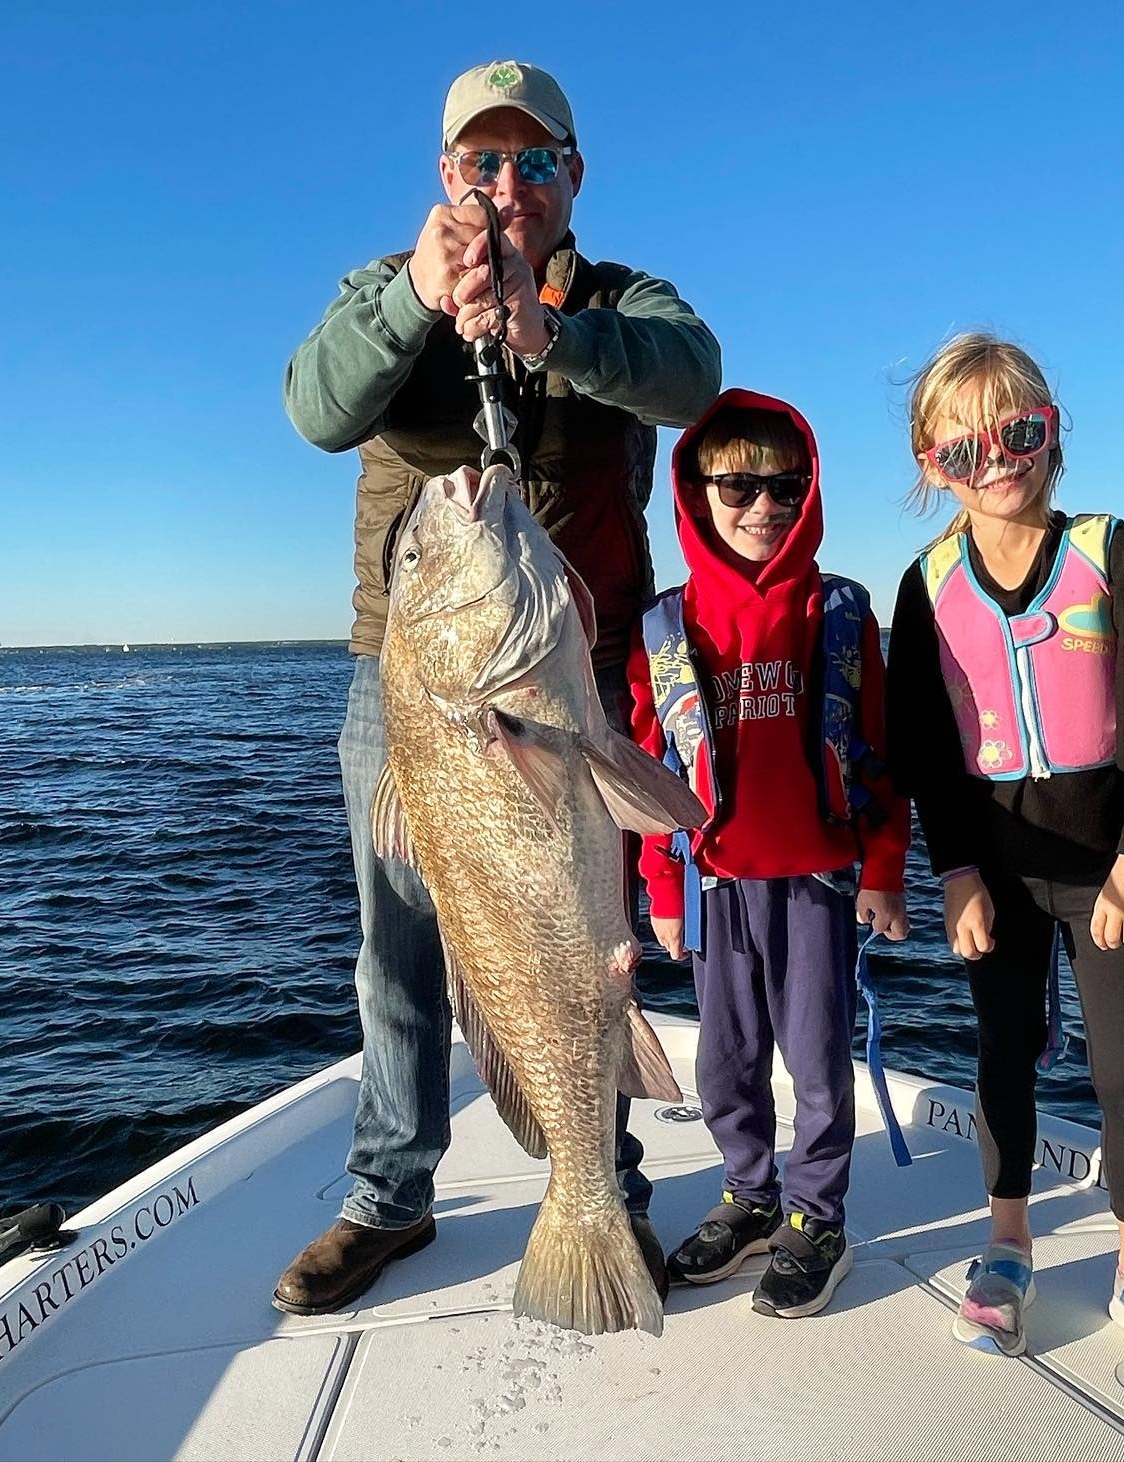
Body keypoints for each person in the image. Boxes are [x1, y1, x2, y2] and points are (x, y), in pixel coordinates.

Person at [275, 59, 721, 1315]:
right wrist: (422, 295)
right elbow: (316, 405)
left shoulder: (624, 297)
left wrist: (558, 338)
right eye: (483, 161)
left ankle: (604, 1180)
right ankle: (389, 1195)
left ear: (576, 176)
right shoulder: (384, 288)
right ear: (444, 177)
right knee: (399, 943)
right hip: (412, 679)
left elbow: (691, 378)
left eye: (535, 161)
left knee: (589, 930)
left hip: (575, 674)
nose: (508, 185)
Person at [885, 334, 1124, 1379]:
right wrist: (954, 872)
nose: (998, 458)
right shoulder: (924, 582)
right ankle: (1008, 1246)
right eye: (966, 445)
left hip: (1108, 869)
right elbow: (930, 754)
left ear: (1052, 433)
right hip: (996, 871)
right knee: (1001, 1057)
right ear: (932, 464)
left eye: (1020, 431)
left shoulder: (1118, 553)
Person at [628, 389, 910, 1319]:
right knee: (725, 1060)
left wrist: (882, 869)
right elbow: (650, 772)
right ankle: (750, 1196)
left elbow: (881, 755)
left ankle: (818, 1216)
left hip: (818, 885)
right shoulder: (663, 628)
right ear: (695, 495)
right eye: (737, 486)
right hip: (715, 891)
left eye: (785, 486)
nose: (762, 507)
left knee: (817, 1062)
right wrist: (662, 887)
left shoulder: (841, 614)